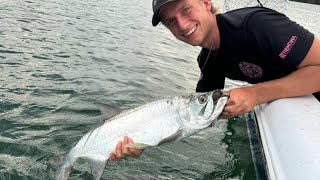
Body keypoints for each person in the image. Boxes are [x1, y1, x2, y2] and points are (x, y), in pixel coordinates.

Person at [110, 0, 320, 160]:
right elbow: (196, 117)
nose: (182, 25)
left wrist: (255, 95)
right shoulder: (207, 59)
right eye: (170, 21)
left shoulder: (257, 25)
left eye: (185, 9)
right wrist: (142, 140)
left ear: (206, 3)